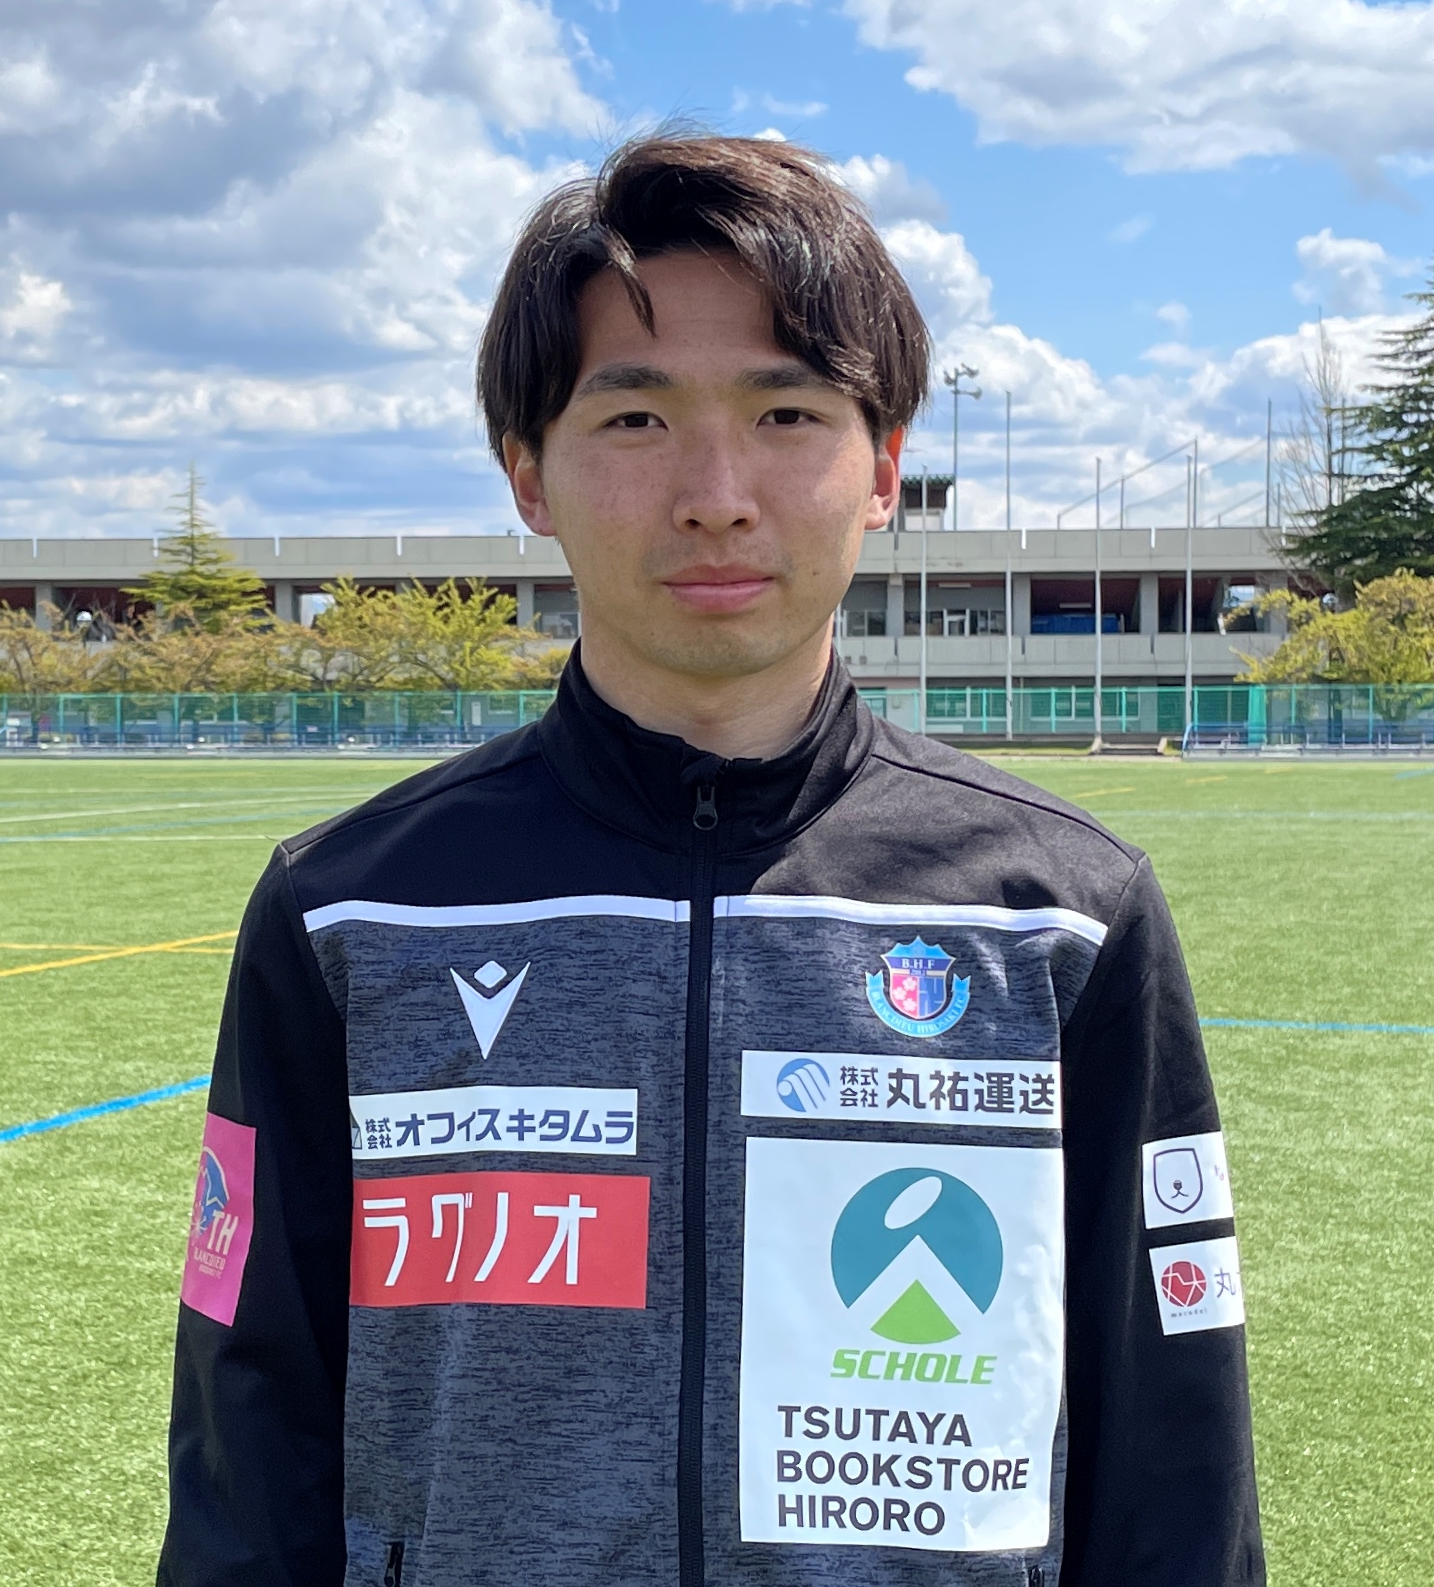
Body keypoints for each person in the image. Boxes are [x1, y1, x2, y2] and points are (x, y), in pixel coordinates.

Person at [159, 134, 1264, 1587]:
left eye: (787, 412)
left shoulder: (1063, 915)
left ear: (883, 470)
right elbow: (251, 1429)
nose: (717, 493)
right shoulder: (351, 911)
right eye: (634, 419)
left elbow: (1172, 1449)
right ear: (528, 474)